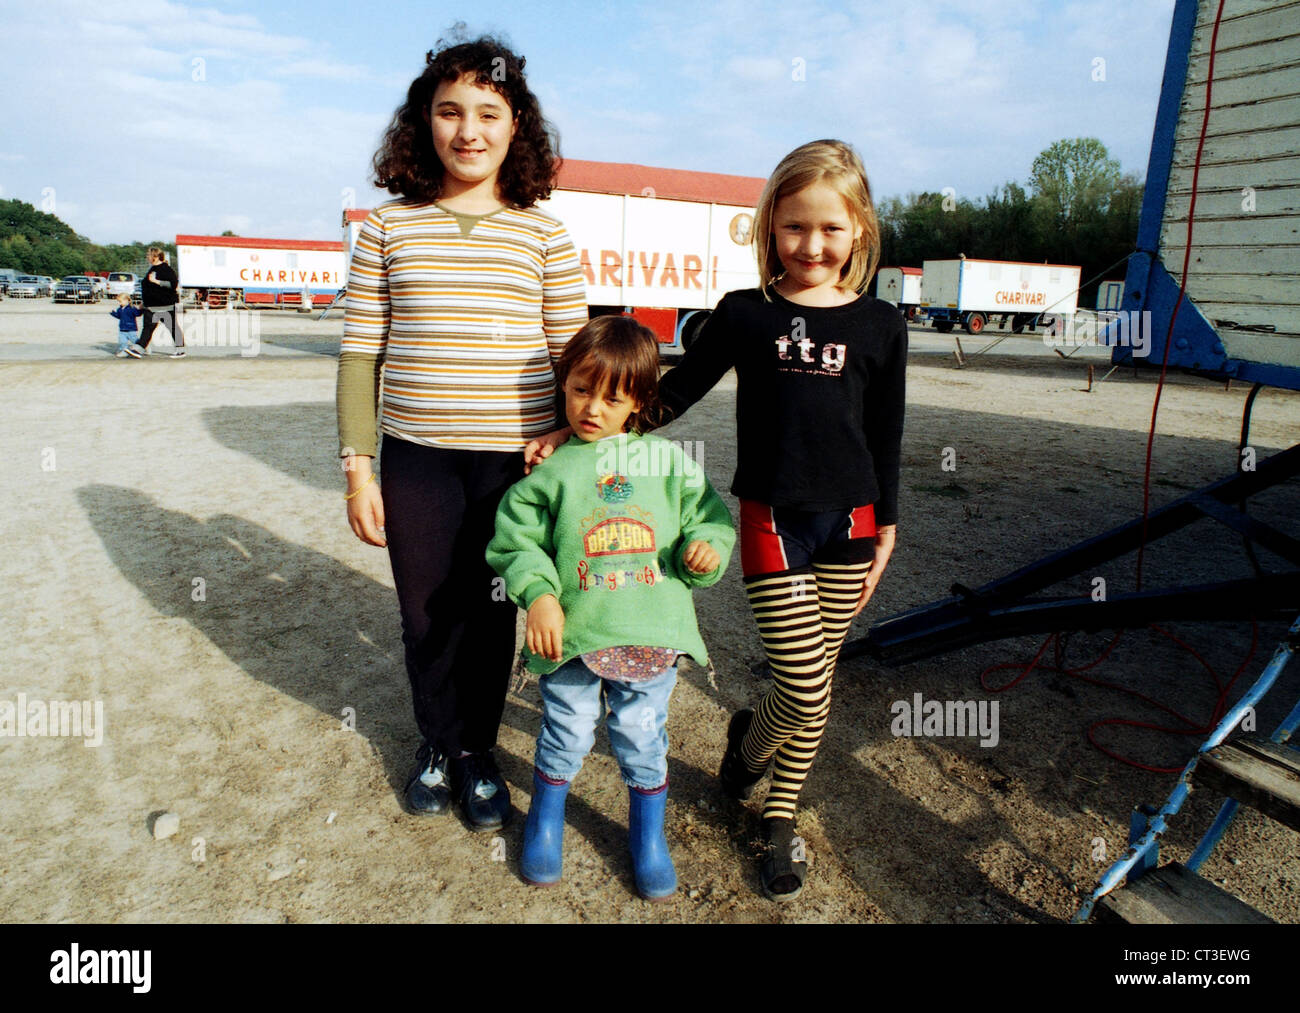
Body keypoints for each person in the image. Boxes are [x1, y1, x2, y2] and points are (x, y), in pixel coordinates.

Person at [336, 34, 586, 832]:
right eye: (449, 111)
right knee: (426, 613)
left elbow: (572, 359)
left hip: (512, 465)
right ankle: (437, 744)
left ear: (518, 128)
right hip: (416, 461)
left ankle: (479, 751)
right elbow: (359, 354)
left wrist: (568, 444)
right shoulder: (386, 229)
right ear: (424, 122)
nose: (468, 129)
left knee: (492, 611)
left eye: (489, 111)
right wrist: (358, 467)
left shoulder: (545, 236)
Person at [655, 139, 906, 901]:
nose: (812, 245)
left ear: (860, 229)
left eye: (831, 228)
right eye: (795, 227)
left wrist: (888, 524)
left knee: (819, 681)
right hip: (773, 520)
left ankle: (779, 817)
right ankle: (746, 747)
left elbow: (886, 431)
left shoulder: (881, 324)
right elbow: (675, 394)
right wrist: (590, 423)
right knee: (799, 685)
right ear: (770, 227)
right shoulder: (744, 316)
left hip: (853, 523)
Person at [487, 316, 735, 899]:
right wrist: (541, 596)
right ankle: (546, 822)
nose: (591, 409)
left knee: (641, 735)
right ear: (563, 384)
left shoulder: (670, 464)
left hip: (651, 632)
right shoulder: (548, 470)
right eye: (579, 390)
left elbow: (710, 519)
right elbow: (514, 541)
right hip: (574, 634)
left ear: (640, 402)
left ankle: (648, 838)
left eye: (612, 398)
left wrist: (708, 549)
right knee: (568, 729)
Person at [126, 247, 185, 358]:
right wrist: (144, 302)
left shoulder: (166, 269)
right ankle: (139, 348)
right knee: (148, 328)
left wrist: (156, 281)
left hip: (165, 306)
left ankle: (180, 350)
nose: (147, 257)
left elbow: (172, 285)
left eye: (149, 255)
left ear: (156, 256)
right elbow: (148, 287)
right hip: (152, 306)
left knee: (172, 327)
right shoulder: (153, 268)